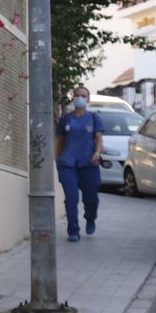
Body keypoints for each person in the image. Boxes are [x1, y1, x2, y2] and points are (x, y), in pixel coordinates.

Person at [55, 85, 104, 242]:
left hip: (89, 163)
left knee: (91, 199)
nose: (80, 98)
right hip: (68, 164)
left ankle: (90, 218)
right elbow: (60, 141)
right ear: (73, 97)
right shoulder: (66, 119)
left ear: (88, 99)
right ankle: (73, 231)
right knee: (71, 197)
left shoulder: (94, 118)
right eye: (77, 95)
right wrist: (58, 160)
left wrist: (97, 153)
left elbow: (98, 139)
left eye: (83, 95)